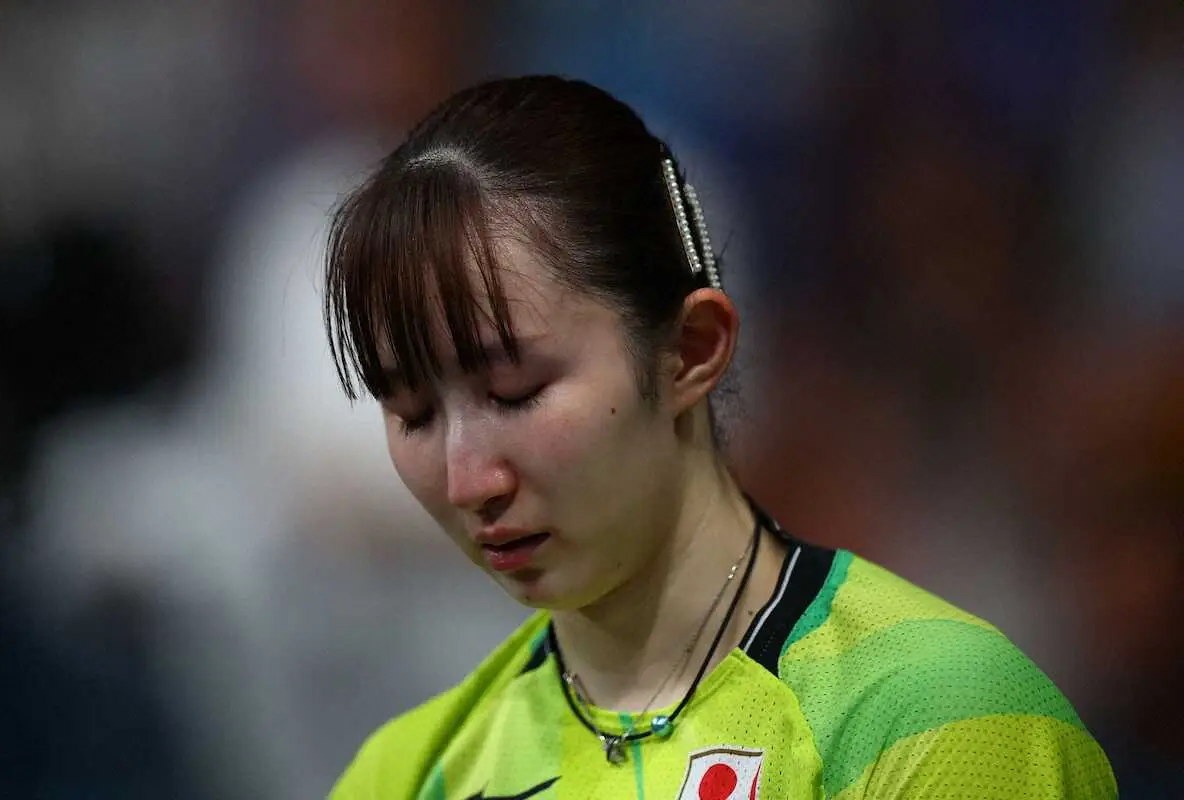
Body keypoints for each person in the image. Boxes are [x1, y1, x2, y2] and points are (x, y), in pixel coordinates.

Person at [323, 76, 1117, 799]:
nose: (468, 482)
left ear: (691, 349)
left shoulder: (939, 719)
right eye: (413, 416)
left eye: (515, 391)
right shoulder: (403, 776)